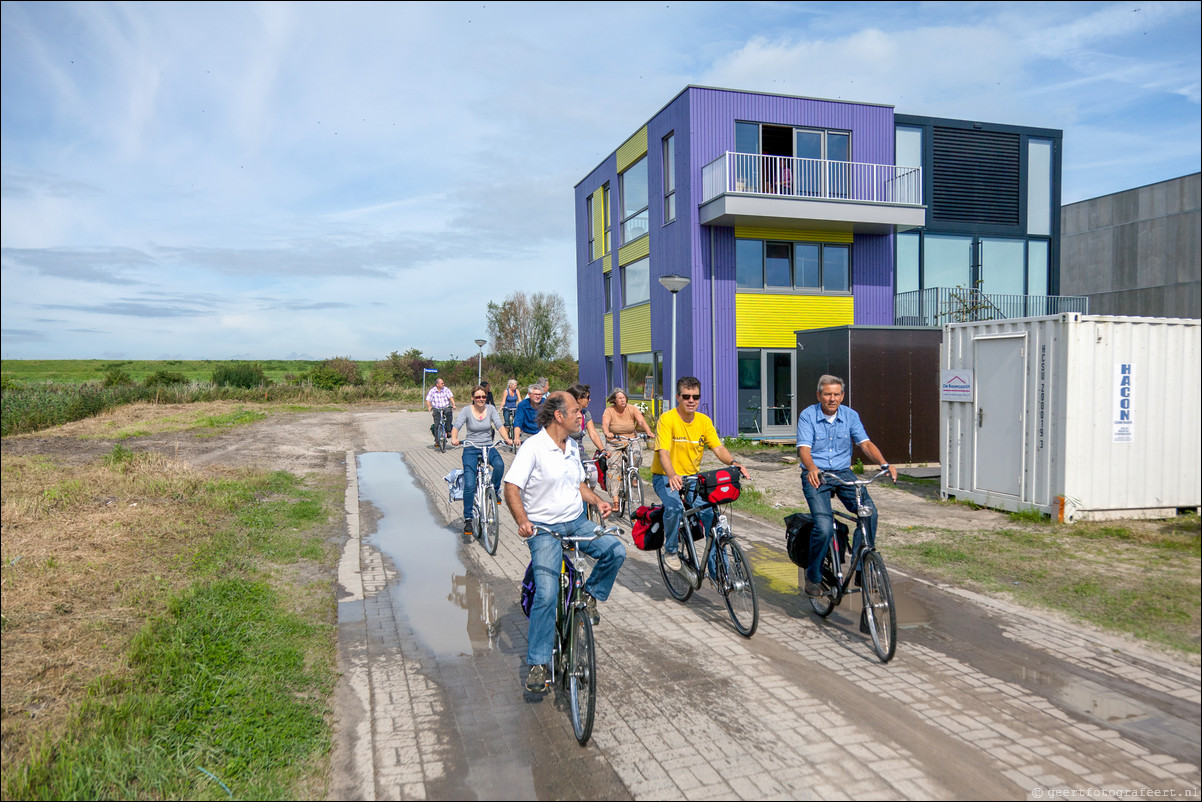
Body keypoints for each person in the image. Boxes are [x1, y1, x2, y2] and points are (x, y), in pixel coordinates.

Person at [503, 391, 626, 693]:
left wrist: (597, 501)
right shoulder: (534, 447)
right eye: (574, 411)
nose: (580, 415)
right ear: (559, 416)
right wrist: (522, 521)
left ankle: (590, 596)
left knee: (615, 549)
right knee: (546, 592)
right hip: (543, 529)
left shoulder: (571, 446)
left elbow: (578, 483)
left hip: (576, 522)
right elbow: (511, 486)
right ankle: (539, 662)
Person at [796, 375, 897, 597]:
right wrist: (811, 467)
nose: (832, 399)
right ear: (819, 395)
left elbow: (865, 444)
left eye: (836, 394)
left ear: (842, 396)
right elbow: (804, 449)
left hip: (843, 473)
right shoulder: (808, 415)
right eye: (827, 394)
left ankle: (862, 567)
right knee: (823, 527)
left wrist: (884, 463)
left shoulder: (851, 416)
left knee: (869, 513)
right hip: (817, 474)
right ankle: (813, 576)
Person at [652, 377, 748, 571]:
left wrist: (733, 462)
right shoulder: (668, 419)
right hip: (665, 475)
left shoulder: (704, 421)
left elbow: (718, 448)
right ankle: (670, 550)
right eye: (686, 396)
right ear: (678, 397)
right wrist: (671, 474)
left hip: (692, 478)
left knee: (711, 516)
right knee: (674, 508)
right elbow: (663, 452)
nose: (691, 400)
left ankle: (718, 571)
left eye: (695, 397)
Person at [451, 384, 513, 536]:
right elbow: (457, 425)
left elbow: (499, 424)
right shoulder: (467, 410)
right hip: (470, 448)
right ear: (472, 398)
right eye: (478, 397)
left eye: (483, 397)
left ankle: (495, 490)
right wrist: (454, 438)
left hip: (487, 446)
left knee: (499, 465)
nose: (481, 399)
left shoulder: (490, 409)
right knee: (470, 485)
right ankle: (468, 518)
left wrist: (507, 439)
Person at [600, 387, 655, 492]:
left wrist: (648, 431)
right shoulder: (609, 410)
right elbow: (605, 424)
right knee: (614, 467)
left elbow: (641, 421)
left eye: (624, 397)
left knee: (636, 455)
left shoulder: (632, 408)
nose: (622, 400)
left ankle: (633, 475)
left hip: (631, 439)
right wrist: (607, 433)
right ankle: (616, 497)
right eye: (620, 398)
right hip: (615, 441)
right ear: (614, 400)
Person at [511, 383, 545, 449]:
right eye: (535, 394)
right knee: (523, 452)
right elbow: (518, 422)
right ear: (529, 395)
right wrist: (517, 437)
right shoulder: (522, 405)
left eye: (540, 394)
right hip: (527, 433)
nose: (538, 396)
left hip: (542, 433)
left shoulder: (546, 403)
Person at [424, 377, 455, 444]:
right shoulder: (432, 391)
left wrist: (453, 404)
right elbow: (428, 400)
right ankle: (437, 439)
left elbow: (450, 397)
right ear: (437, 384)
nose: (443, 384)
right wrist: (429, 406)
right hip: (436, 408)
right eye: (442, 383)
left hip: (445, 407)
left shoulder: (446, 390)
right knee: (436, 424)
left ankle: (449, 430)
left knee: (449, 413)